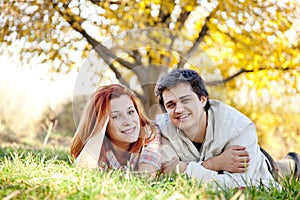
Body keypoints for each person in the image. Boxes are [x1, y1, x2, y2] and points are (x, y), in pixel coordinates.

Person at [155, 68, 299, 188]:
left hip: (261, 164)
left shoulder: (239, 127)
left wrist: (185, 169)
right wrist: (214, 163)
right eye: (171, 105)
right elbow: (166, 175)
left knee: (284, 170)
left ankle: (294, 163)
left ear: (202, 100)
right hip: (226, 161)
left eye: (186, 100)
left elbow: (241, 185)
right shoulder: (162, 130)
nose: (178, 109)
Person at [70, 84, 161, 174]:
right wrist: (98, 129)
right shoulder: (100, 148)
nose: (128, 121)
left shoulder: (150, 132)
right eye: (116, 116)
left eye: (130, 112)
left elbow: (146, 177)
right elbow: (82, 174)